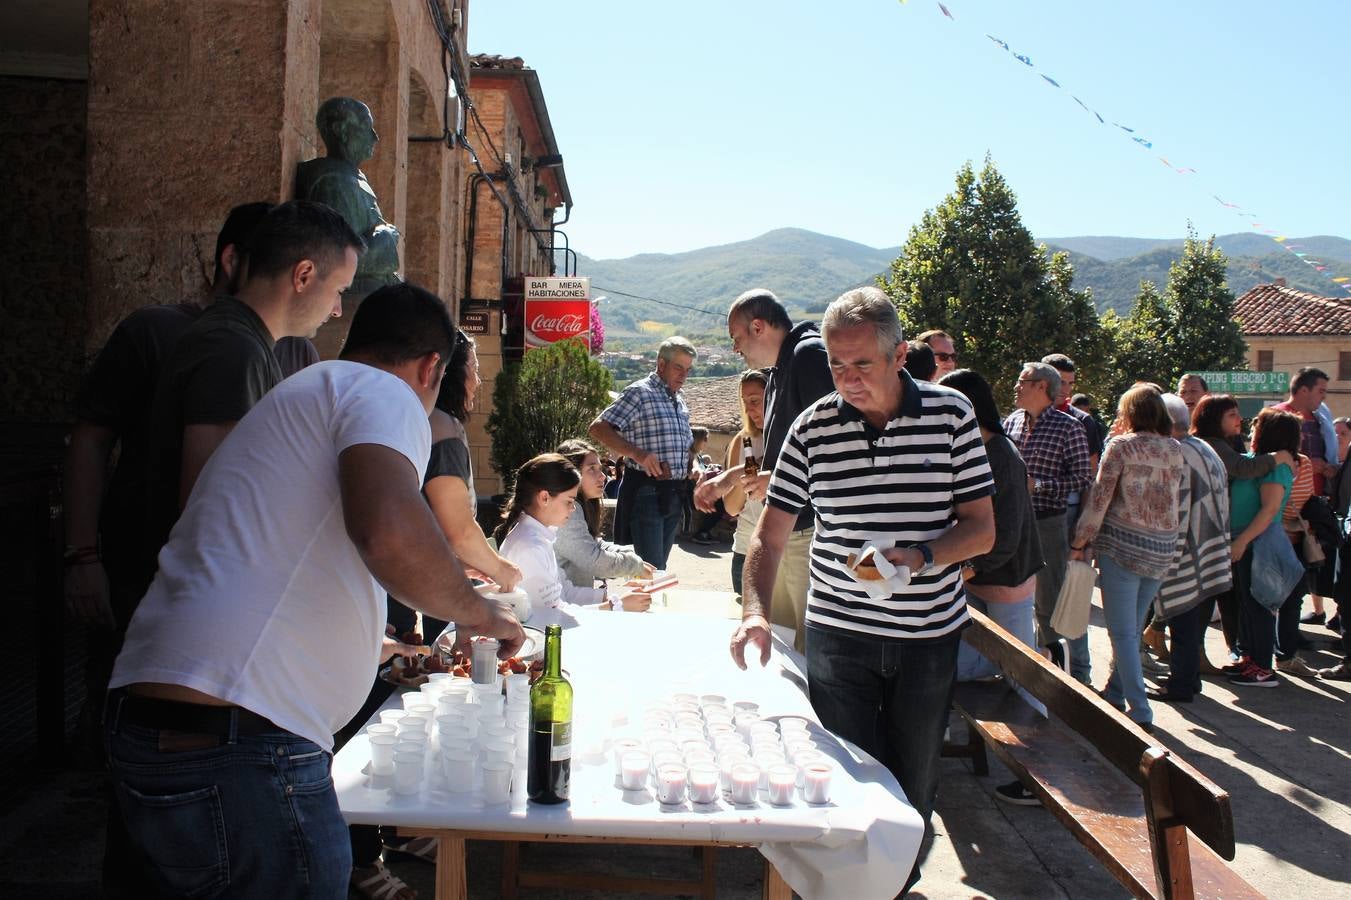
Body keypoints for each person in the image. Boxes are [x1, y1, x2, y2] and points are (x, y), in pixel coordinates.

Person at [104, 283, 526, 896]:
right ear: (432, 367)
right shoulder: (384, 391)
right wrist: (481, 613)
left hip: (156, 717)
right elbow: (386, 531)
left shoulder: (303, 393)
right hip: (240, 738)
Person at [729, 287, 994, 894]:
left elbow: (981, 531)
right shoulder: (812, 428)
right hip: (839, 635)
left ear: (900, 355)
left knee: (914, 782)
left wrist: (923, 555)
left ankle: (894, 886)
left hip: (926, 637)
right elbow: (770, 539)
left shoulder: (950, 418)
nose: (846, 380)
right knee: (844, 779)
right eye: (835, 365)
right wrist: (754, 613)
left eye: (862, 365)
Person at [63, 202, 319, 749]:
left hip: (235, 599)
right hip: (141, 569)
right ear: (234, 260)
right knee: (129, 734)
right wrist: (82, 556)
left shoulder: (296, 352)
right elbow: (91, 439)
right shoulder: (155, 331)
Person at [139, 201, 363, 586]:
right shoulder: (232, 349)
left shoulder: (244, 342)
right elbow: (211, 508)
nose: (338, 309)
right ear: (304, 275)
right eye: (339, 290)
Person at [695, 288, 835, 651]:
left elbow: (838, 447)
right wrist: (732, 476)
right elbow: (780, 457)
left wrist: (774, 479)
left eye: (736, 338)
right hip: (787, 534)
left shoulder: (809, 356)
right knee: (785, 647)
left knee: (804, 653)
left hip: (808, 534)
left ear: (758, 327)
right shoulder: (776, 373)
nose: (735, 349)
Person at [1069, 386, 1187, 730]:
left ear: (1131, 412)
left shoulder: (1122, 446)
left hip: (1121, 546)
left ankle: (1141, 709)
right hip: (1162, 547)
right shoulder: (1175, 448)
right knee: (1132, 629)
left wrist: (1080, 541)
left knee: (1122, 633)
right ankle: (1117, 693)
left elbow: (1100, 497)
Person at [937, 370, 1043, 694]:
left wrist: (964, 571)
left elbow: (1006, 538)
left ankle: (1042, 659)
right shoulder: (966, 450)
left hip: (1007, 579)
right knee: (965, 667)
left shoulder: (1002, 455)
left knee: (1023, 679)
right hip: (977, 578)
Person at [418, 328, 523, 641]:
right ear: (448, 373)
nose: (478, 381)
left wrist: (466, 563)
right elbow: (459, 531)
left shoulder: (426, 421)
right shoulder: (443, 429)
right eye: (474, 370)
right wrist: (500, 568)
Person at [1003, 362, 1093, 682]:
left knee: (1050, 604)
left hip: (1048, 523)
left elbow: (1083, 477)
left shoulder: (1069, 427)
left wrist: (1038, 485)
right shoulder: (1011, 422)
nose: (1016, 386)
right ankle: (1027, 667)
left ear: (1042, 387)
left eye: (1022, 380)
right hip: (1016, 523)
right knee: (1014, 599)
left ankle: (1062, 677)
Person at [1191, 394, 1294, 659]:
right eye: (1232, 415)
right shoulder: (1213, 444)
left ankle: (1251, 659)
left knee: (1251, 603)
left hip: (1245, 539)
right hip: (1217, 535)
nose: (1242, 421)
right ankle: (1226, 656)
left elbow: (1269, 507)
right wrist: (1278, 457)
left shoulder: (1225, 445)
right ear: (1215, 419)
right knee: (1226, 600)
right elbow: (1243, 467)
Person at [495, 453, 652, 625]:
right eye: (569, 501)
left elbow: (565, 592)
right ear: (544, 498)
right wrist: (616, 605)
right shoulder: (529, 546)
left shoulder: (539, 537)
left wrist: (612, 595)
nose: (572, 509)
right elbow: (553, 615)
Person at [1149, 394, 1232, 703]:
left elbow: (1177, 512)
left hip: (1187, 552)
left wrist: (1167, 560)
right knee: (1191, 624)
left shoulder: (1178, 453)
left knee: (1183, 624)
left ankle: (1182, 685)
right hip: (1209, 548)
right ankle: (1189, 679)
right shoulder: (1203, 448)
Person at [589, 336, 697, 568]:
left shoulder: (679, 399)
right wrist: (638, 455)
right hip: (646, 492)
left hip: (673, 492)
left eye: (688, 370)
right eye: (678, 367)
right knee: (653, 568)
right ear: (661, 364)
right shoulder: (639, 393)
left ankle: (645, 602)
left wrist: (694, 465)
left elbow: (687, 445)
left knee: (657, 568)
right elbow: (598, 428)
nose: (683, 375)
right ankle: (642, 604)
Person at [1226, 407, 1302, 687]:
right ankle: (1250, 660)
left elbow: (1269, 510)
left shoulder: (1277, 468)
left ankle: (1261, 668)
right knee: (1247, 603)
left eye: (1257, 426)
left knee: (1259, 604)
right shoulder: (1260, 461)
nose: (1251, 430)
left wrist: (1242, 542)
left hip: (1259, 542)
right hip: (1248, 541)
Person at [295, 96, 401, 293]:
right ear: (340, 131)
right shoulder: (334, 181)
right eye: (365, 127)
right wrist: (386, 236)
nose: (374, 137)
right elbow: (342, 260)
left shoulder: (349, 176)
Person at [554, 438, 653, 586]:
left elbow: (594, 545)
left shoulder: (579, 506)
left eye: (600, 469)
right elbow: (593, 560)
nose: (602, 476)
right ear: (571, 474)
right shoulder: (567, 511)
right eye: (592, 469)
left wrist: (628, 554)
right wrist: (634, 565)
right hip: (561, 604)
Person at [724, 369, 769, 597]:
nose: (750, 410)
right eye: (745, 403)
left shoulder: (790, 435)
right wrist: (746, 479)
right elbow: (731, 507)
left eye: (755, 401)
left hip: (781, 551)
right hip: (744, 548)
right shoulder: (741, 441)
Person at [1273, 367, 1334, 495]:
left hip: (1317, 501)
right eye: (1321, 391)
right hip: (1284, 501)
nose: (1324, 397)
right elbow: (1261, 459)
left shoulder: (1322, 420)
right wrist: (1305, 466)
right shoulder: (1275, 415)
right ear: (1304, 390)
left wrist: (1330, 468)